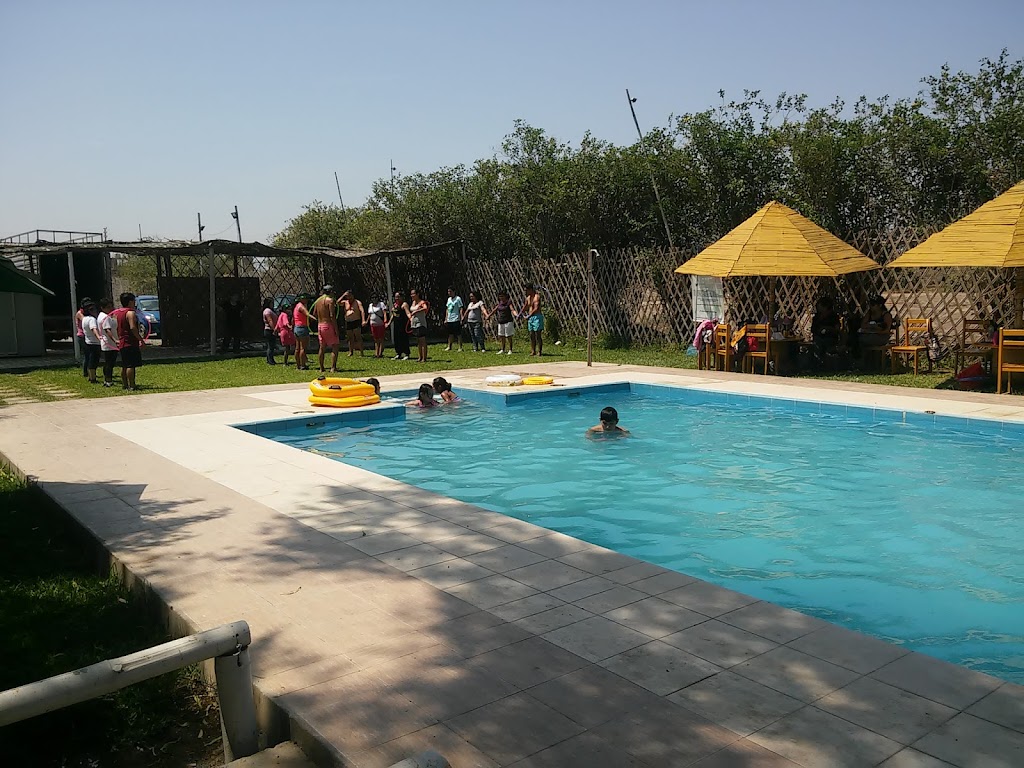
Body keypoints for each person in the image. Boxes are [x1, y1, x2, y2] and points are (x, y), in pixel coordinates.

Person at [110, 292, 143, 391]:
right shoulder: (130, 313)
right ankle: (132, 385)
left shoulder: (118, 313)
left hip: (122, 341)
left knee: (125, 364)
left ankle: (125, 384)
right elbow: (133, 327)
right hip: (130, 341)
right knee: (130, 365)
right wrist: (140, 339)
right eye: (133, 301)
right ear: (130, 302)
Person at [311, 285, 340, 373]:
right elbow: (332, 315)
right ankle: (333, 367)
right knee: (335, 345)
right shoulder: (330, 301)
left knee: (322, 347)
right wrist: (336, 329)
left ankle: (321, 368)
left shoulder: (318, 301)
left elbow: (314, 314)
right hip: (328, 325)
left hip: (320, 325)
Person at [810, 296, 841, 368]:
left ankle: (823, 364)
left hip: (830, 338)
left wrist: (828, 329)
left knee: (822, 344)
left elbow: (837, 330)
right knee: (817, 343)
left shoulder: (833, 317)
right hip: (818, 337)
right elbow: (813, 329)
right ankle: (817, 364)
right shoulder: (816, 317)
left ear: (826, 307)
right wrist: (819, 330)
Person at [97, 297, 119, 388]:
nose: (111, 308)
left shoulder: (105, 316)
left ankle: (107, 379)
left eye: (111, 306)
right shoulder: (104, 317)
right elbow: (107, 330)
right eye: (108, 307)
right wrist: (115, 340)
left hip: (108, 343)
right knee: (110, 363)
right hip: (109, 344)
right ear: (102, 308)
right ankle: (108, 380)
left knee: (108, 362)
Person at [80, 302, 102, 384]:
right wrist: (99, 337)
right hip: (94, 343)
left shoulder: (84, 319)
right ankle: (93, 378)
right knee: (93, 361)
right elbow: (94, 329)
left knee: (89, 360)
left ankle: (90, 376)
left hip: (87, 342)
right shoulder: (92, 319)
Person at [340, 290, 365, 357]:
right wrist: (343, 295)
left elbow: (362, 311)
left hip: (355, 321)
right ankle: (351, 351)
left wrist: (363, 320)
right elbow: (337, 303)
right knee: (350, 338)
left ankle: (361, 352)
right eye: (347, 296)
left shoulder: (357, 302)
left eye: (350, 296)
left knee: (358, 337)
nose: (349, 297)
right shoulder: (345, 302)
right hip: (348, 322)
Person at [520, 285, 544, 357]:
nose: (525, 292)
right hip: (531, 318)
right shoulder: (528, 298)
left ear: (530, 289)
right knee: (531, 334)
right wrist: (520, 313)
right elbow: (525, 306)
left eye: (526, 290)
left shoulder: (537, 297)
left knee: (538, 334)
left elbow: (536, 308)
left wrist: (529, 315)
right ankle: (533, 351)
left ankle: (539, 351)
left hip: (537, 317)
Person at [409, 288, 430, 363]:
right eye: (411, 294)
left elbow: (425, 308)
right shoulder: (413, 302)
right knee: (418, 341)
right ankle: (420, 357)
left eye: (413, 294)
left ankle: (424, 358)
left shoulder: (422, 302)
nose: (412, 295)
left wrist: (416, 311)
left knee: (422, 340)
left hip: (420, 323)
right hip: (414, 324)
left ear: (417, 294)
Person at [491, 290, 516, 354]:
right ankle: (502, 349)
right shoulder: (499, 303)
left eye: (502, 296)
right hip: (501, 321)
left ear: (505, 296)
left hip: (508, 321)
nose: (501, 298)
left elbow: (512, 309)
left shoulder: (508, 303)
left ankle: (510, 349)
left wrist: (516, 314)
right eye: (500, 296)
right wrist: (489, 316)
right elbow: (494, 310)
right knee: (502, 336)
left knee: (508, 336)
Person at [390, 291, 412, 360]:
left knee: (404, 339)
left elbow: (408, 313)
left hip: (403, 325)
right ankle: (398, 353)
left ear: (402, 297)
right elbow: (393, 315)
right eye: (395, 297)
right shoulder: (395, 305)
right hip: (396, 325)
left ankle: (406, 353)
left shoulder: (404, 304)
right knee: (397, 339)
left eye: (398, 297)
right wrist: (389, 323)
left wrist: (411, 319)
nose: (397, 298)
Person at [275, 299, 296, 366]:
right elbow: (285, 322)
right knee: (295, 345)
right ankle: (299, 359)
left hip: (282, 333)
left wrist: (275, 331)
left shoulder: (280, 315)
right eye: (288, 309)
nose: (289, 310)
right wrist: (289, 326)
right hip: (286, 332)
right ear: (285, 310)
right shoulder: (284, 315)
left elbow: (277, 325)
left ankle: (285, 362)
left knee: (287, 348)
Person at [292, 294, 310, 370]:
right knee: (303, 348)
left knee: (297, 348)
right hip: (302, 328)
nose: (307, 300)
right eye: (305, 299)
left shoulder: (296, 307)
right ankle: (302, 365)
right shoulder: (301, 306)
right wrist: (316, 319)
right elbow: (307, 314)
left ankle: (298, 365)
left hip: (296, 328)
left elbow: (293, 319)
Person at [75, 297, 92, 377]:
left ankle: (90, 370)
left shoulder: (88, 313)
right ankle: (85, 372)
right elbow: (85, 321)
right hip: (82, 336)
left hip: (88, 335)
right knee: (87, 354)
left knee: (91, 354)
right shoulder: (79, 313)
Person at [445, 287, 464, 352]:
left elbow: (460, 308)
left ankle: (460, 347)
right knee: (450, 334)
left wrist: (461, 316)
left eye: (450, 291)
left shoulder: (458, 299)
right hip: (449, 319)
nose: (449, 293)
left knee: (458, 334)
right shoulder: (449, 299)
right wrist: (446, 318)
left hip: (456, 318)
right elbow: (447, 309)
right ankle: (449, 346)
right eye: (448, 291)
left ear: (454, 291)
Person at [262, 298, 278, 365]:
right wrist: (274, 329)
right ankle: (270, 360)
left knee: (272, 346)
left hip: (270, 330)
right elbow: (270, 321)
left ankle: (270, 359)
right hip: (269, 330)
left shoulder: (271, 310)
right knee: (271, 346)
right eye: (271, 303)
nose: (272, 304)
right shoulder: (267, 311)